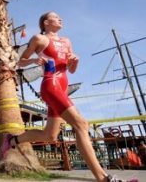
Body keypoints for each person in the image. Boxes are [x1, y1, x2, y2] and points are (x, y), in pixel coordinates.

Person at [9, 11, 132, 182]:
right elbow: (20, 61)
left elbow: (70, 69)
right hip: (50, 85)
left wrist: (75, 61)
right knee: (81, 124)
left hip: (62, 85)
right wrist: (32, 61)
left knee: (49, 136)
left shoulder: (66, 41)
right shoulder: (39, 39)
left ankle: (13, 140)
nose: (60, 18)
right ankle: (103, 177)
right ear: (46, 22)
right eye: (56, 16)